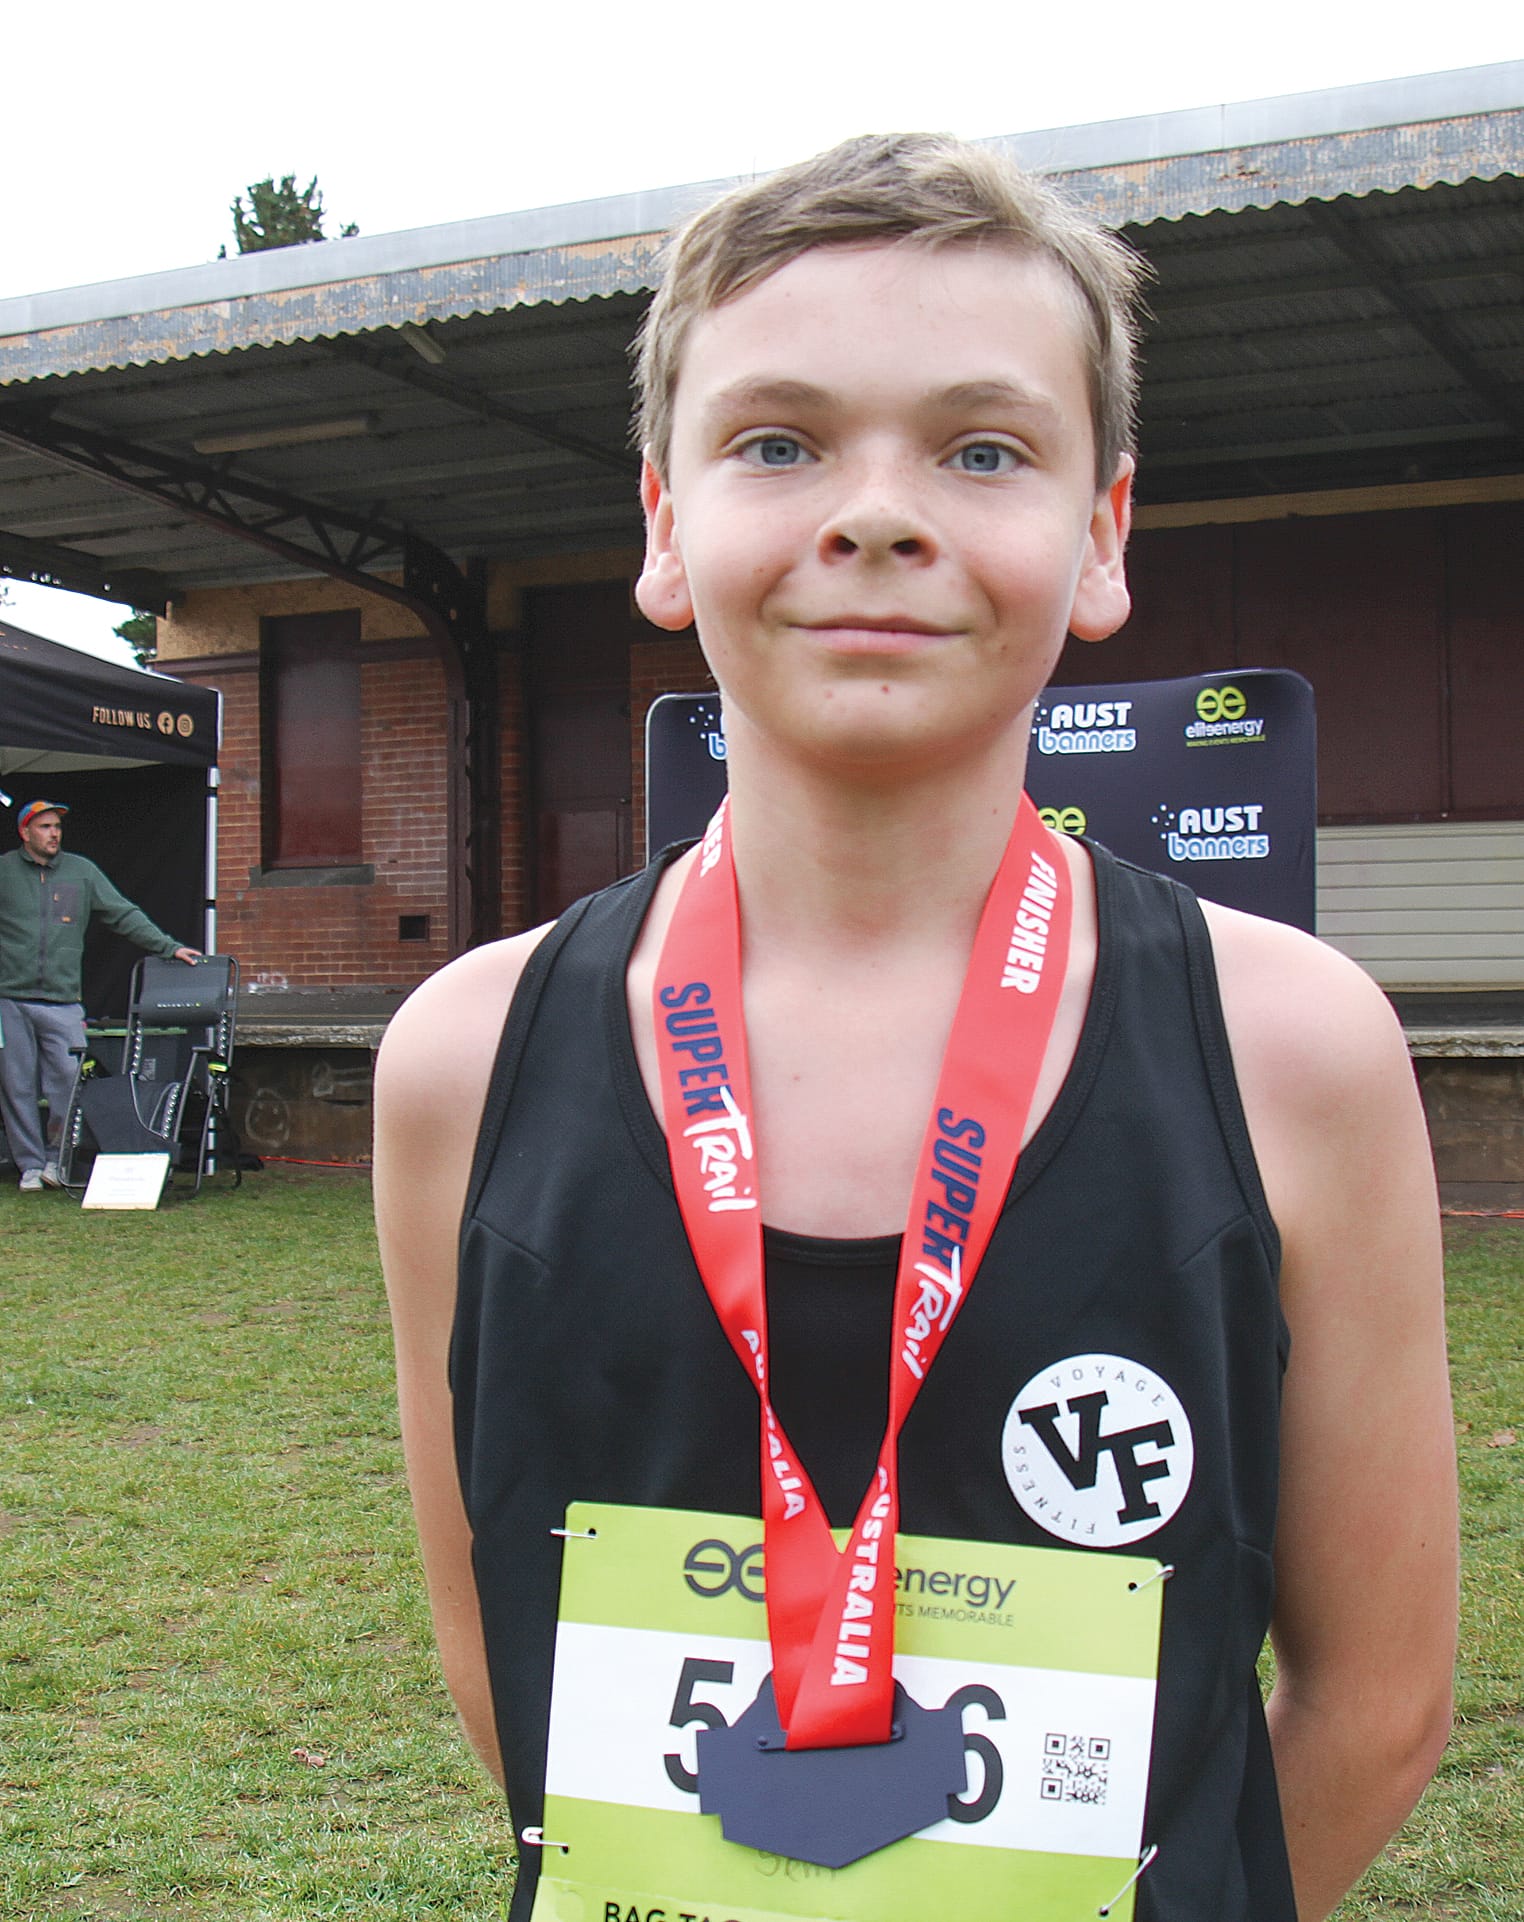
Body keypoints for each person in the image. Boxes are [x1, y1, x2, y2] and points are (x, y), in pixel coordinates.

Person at [374, 135, 1456, 1922]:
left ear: (1100, 535)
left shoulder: (1295, 1049)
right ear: (662, 525)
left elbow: (1375, 1704)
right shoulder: (458, 1060)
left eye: (980, 449)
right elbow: (510, 1656)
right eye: (777, 441)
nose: (874, 514)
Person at [0, 800, 199, 1189]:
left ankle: (58, 1161)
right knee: (15, 1084)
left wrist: (167, 947)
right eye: (44, 827)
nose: (54, 833)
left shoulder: (82, 871)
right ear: (25, 833)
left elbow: (123, 914)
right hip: (8, 998)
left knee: (70, 1082)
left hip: (63, 1000)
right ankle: (28, 1165)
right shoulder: (4, 871)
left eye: (57, 826)